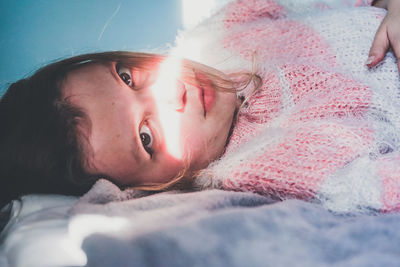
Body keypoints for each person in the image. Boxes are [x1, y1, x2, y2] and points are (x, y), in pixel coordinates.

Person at [0, 0, 399, 212]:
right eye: (146, 136)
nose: (173, 92)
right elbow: (379, 186)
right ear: (150, 188)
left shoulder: (222, 30)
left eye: (127, 76)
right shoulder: (262, 163)